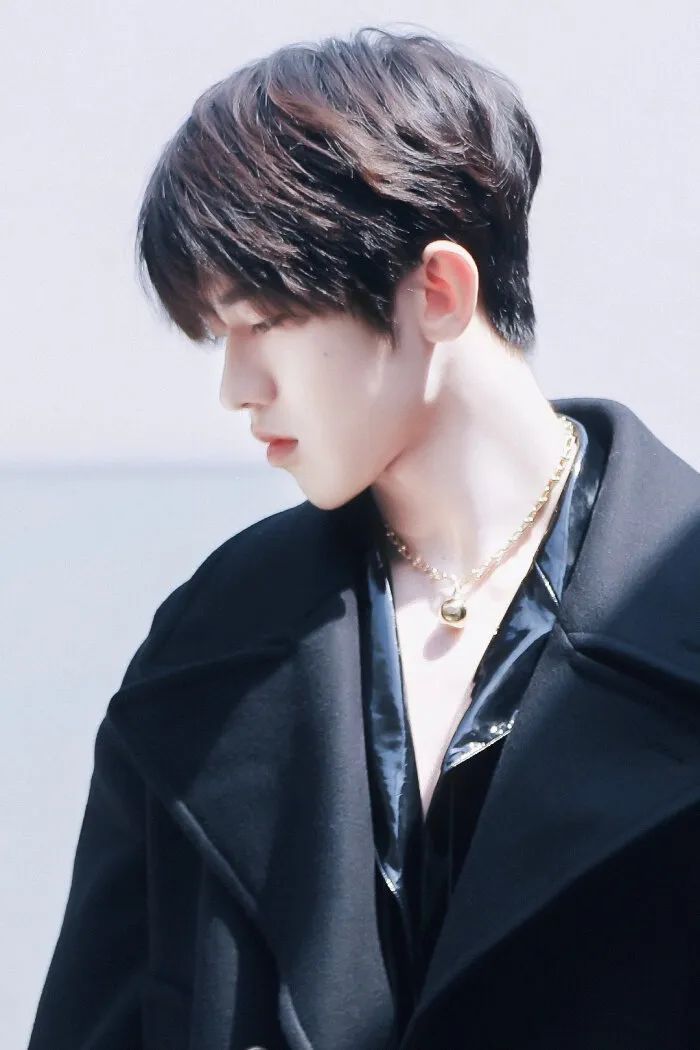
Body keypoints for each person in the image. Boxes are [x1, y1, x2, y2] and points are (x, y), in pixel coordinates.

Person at [28, 25, 700, 1050]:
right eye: (218, 337)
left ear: (438, 291)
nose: (235, 388)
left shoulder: (674, 611)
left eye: (262, 322)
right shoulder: (205, 648)